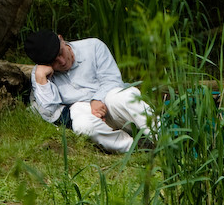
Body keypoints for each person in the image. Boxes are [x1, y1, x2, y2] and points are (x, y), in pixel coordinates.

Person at [23, 29, 156, 153]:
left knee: (123, 96)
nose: (62, 62)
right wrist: (41, 80)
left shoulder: (93, 47)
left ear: (61, 39)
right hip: (84, 111)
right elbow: (50, 113)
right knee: (82, 125)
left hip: (111, 100)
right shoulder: (40, 75)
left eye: (60, 53)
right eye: (54, 62)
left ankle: (163, 135)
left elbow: (112, 79)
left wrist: (97, 99)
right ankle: (135, 148)